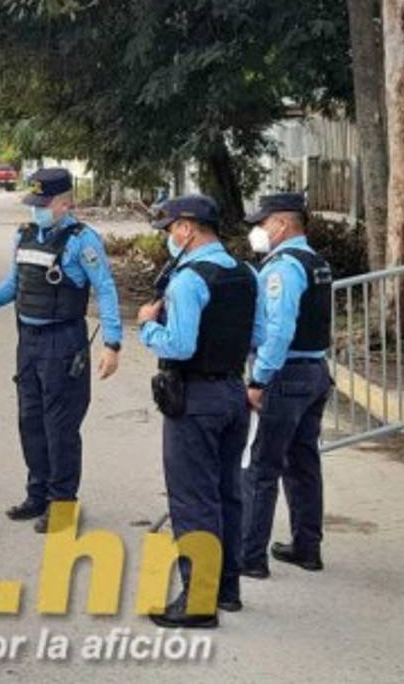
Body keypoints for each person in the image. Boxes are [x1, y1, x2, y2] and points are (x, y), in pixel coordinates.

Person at [0, 168, 122, 534]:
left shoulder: (82, 241)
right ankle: (37, 495)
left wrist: (112, 344)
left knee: (60, 427)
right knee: (30, 421)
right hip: (28, 341)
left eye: (44, 205)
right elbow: (14, 284)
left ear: (65, 203)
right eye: (35, 204)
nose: (37, 210)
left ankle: (62, 504)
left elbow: (105, 289)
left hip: (63, 342)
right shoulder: (25, 235)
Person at [138, 194, 258, 629]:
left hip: (195, 399)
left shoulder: (188, 280)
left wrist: (147, 326)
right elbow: (259, 334)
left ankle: (198, 602)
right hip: (233, 393)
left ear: (187, 229)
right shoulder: (246, 273)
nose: (169, 238)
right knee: (227, 494)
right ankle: (227, 589)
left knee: (193, 500)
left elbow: (180, 345)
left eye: (171, 230)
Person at [239, 193, 333, 579]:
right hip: (315, 371)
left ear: (281, 224)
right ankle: (307, 547)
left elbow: (278, 331)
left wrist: (259, 379)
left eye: (262, 224)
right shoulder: (316, 262)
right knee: (303, 463)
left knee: (261, 466)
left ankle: (249, 557)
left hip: (286, 375)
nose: (258, 231)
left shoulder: (283, 268)